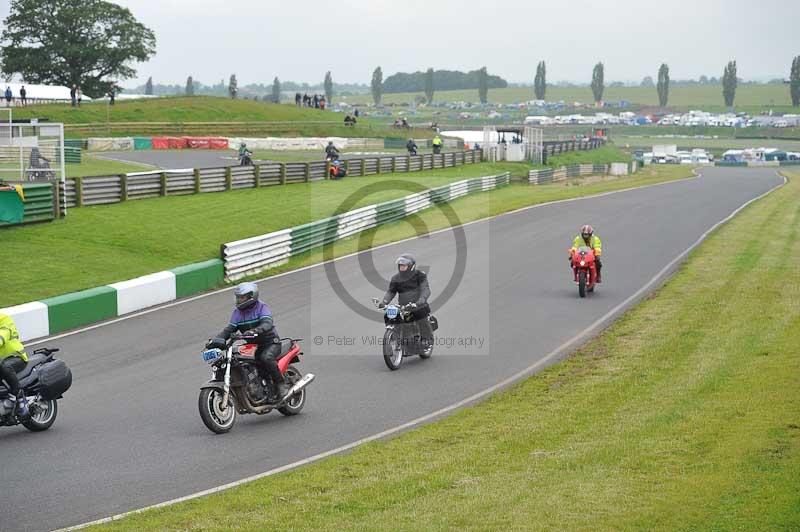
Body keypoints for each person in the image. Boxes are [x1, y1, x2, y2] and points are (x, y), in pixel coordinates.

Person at [206, 283, 288, 400]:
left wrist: (255, 330)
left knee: (266, 358)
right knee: (239, 360)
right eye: (238, 297)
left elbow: (267, 323)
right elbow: (228, 330)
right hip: (252, 346)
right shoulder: (237, 313)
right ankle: (252, 385)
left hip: (270, 343)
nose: (239, 300)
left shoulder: (262, 307)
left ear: (251, 296)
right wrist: (216, 340)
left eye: (242, 297)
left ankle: (281, 384)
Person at [379, 254, 433, 355]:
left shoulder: (420, 275)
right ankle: (392, 338)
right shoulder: (396, 278)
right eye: (400, 266)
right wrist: (384, 302)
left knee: (421, 315)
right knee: (389, 315)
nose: (402, 268)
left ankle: (427, 340)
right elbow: (391, 292)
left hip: (418, 305)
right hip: (403, 306)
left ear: (411, 266)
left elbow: (425, 289)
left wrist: (420, 301)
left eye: (404, 266)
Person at [0, 312, 30, 418]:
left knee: (5, 367)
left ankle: (20, 396)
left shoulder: (4, 319)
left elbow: (3, 335)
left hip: (15, 357)